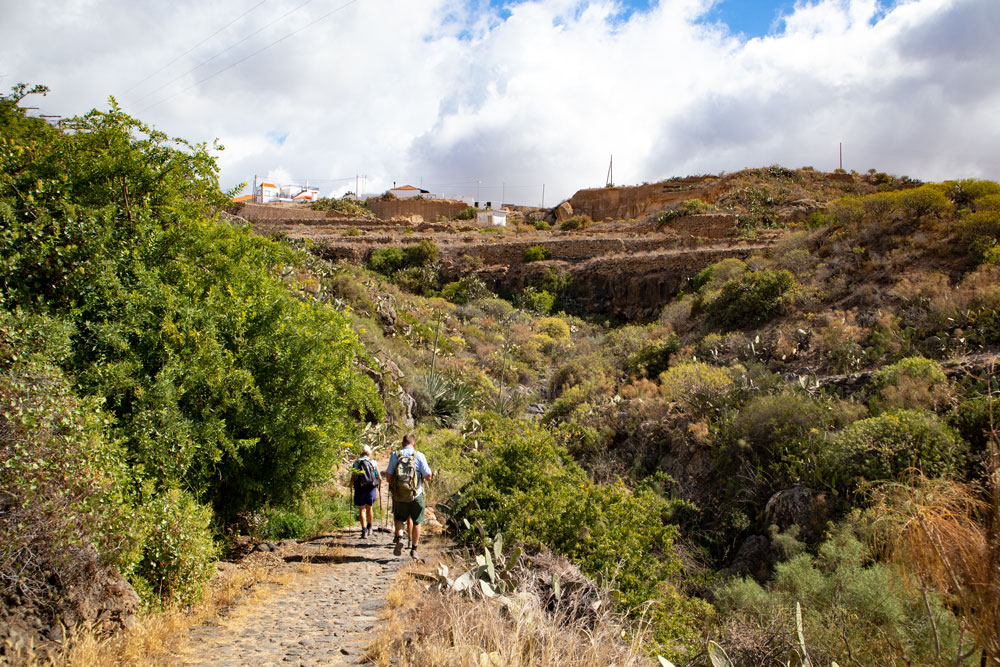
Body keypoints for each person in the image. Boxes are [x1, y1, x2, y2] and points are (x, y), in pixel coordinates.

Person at [385, 433, 432, 559]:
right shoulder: (419, 455)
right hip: (416, 495)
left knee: (399, 518)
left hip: (399, 495)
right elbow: (428, 476)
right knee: (417, 521)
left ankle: (399, 537)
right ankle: (414, 549)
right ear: (414, 444)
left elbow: (388, 477)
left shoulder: (395, 455)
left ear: (402, 444)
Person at [351, 445, 380, 539]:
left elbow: (353, 477)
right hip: (371, 488)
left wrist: (351, 485)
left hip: (360, 488)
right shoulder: (373, 462)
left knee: (362, 509)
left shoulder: (356, 463)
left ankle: (364, 531)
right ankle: (370, 527)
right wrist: (379, 486)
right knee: (369, 508)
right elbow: (379, 477)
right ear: (369, 452)